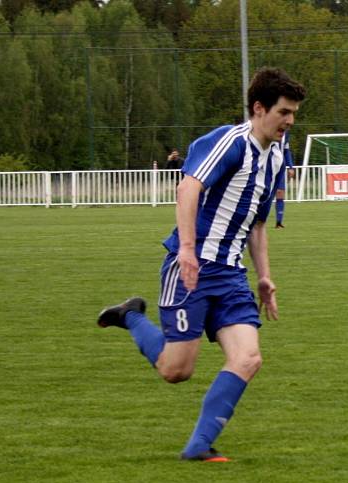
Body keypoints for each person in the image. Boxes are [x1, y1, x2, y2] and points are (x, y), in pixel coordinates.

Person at [97, 67, 306, 461]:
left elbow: (257, 224)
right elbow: (188, 187)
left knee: (248, 358)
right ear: (259, 109)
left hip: (231, 275)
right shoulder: (229, 142)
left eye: (293, 113)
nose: (290, 121)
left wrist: (264, 277)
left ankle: (198, 446)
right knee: (177, 371)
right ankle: (131, 317)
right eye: (284, 112)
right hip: (191, 267)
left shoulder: (277, 157)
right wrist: (188, 250)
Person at [273, 130, 295, 228]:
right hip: (267, 166)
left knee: (280, 192)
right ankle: (258, 222)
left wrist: (290, 166)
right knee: (263, 194)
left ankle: (279, 222)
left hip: (280, 166)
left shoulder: (285, 133)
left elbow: (286, 151)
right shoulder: (268, 128)